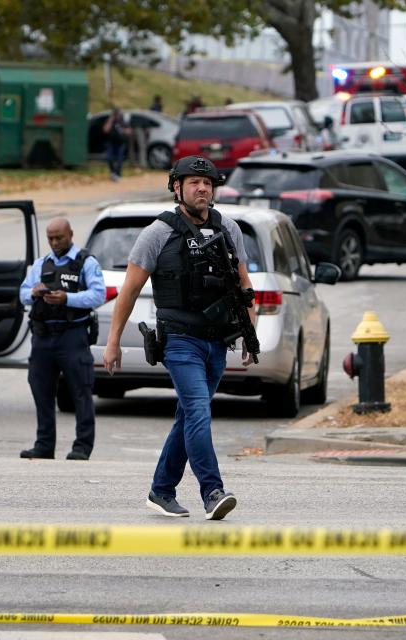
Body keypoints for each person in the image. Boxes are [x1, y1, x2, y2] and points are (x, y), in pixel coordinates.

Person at [103, 156, 257, 520]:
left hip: (217, 340)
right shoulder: (158, 233)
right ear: (177, 188)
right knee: (199, 411)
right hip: (180, 341)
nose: (202, 188)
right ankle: (212, 491)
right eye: (193, 182)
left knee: (188, 416)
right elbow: (128, 291)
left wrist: (251, 337)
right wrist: (112, 342)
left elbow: (244, 287)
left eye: (208, 183)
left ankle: (161, 490)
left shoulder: (229, 228)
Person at [18, 217, 105, 461]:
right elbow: (22, 293)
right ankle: (44, 445)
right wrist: (33, 292)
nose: (55, 243)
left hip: (73, 335)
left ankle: (82, 447)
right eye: (51, 238)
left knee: (81, 391)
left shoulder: (86, 262)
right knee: (41, 390)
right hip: (43, 337)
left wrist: (67, 298)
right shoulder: (41, 264)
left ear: (71, 234)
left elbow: (98, 295)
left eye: (60, 238)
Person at [102, 107, 131, 181]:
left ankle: (118, 174)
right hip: (110, 143)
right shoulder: (109, 120)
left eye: (117, 114)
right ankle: (113, 173)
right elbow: (105, 130)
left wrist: (123, 130)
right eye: (115, 114)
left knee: (119, 159)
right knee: (109, 158)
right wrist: (111, 120)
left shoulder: (122, 121)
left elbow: (129, 131)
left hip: (120, 143)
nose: (116, 115)